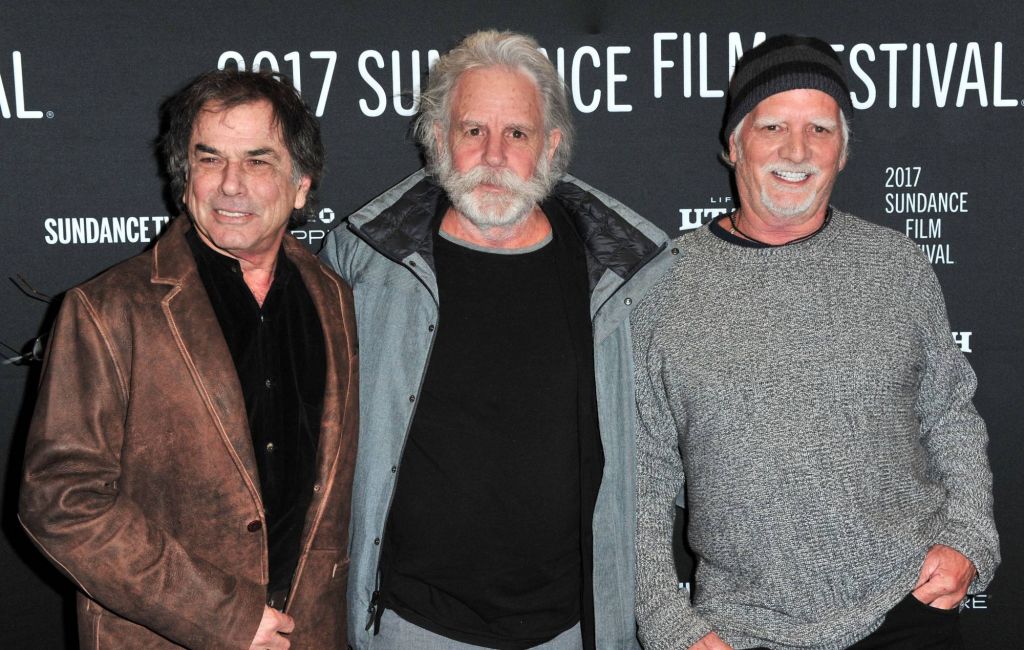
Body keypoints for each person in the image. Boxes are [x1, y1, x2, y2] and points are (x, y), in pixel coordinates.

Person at [631, 35, 999, 650]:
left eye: (820, 130)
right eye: (772, 125)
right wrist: (671, 627)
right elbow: (638, 478)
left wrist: (969, 535)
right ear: (734, 143)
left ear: (843, 151)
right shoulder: (663, 287)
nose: (796, 151)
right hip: (739, 632)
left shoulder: (895, 266)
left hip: (906, 613)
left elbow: (949, 414)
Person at [320, 29, 672, 650]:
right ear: (437, 141)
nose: (493, 156)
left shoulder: (623, 272)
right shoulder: (366, 262)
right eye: (472, 130)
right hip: (411, 624)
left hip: (572, 627)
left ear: (552, 147)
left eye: (517, 134)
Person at [19, 70, 358, 649]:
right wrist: (221, 615)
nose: (231, 185)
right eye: (210, 159)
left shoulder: (333, 295)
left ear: (301, 183)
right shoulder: (107, 310)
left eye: (257, 161)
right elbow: (60, 500)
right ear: (185, 178)